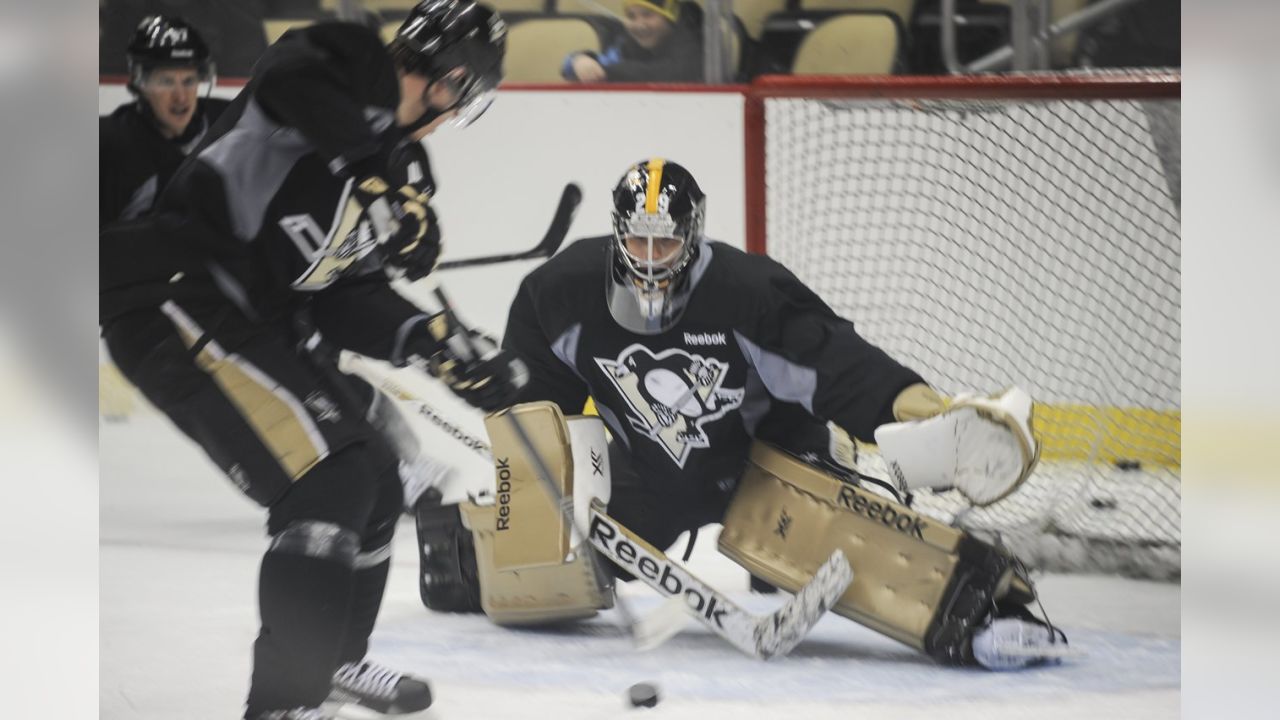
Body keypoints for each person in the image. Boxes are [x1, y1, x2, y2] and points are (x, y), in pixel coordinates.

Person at [426, 158, 1066, 670]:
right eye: (639, 241)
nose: (651, 259)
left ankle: (996, 614)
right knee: (540, 573)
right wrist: (505, 416)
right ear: (619, 233)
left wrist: (931, 413)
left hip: (766, 464)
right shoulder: (559, 292)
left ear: (693, 233)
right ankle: (457, 552)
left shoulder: (747, 292)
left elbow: (840, 368)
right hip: (652, 471)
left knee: (833, 555)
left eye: (666, 241)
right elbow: (540, 413)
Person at [99, 2, 519, 718]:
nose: (452, 117)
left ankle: (331, 666)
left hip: (248, 316)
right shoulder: (348, 66)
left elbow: (339, 295)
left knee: (380, 479)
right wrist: (373, 176)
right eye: (461, 98)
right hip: (173, 298)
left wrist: (436, 340)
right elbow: (289, 73)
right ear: (450, 79)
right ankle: (281, 702)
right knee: (329, 483)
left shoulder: (389, 160)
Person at [100, 15, 229, 227]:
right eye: (166, 81)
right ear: (140, 83)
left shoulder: (227, 124)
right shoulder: (109, 148)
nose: (181, 97)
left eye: (189, 81)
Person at [562, 0, 703, 83]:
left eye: (648, 15)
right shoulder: (628, 43)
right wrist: (578, 61)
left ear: (669, 19)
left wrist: (608, 71)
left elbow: (676, 73)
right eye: (631, 16)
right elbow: (602, 63)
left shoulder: (692, 41)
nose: (639, 25)